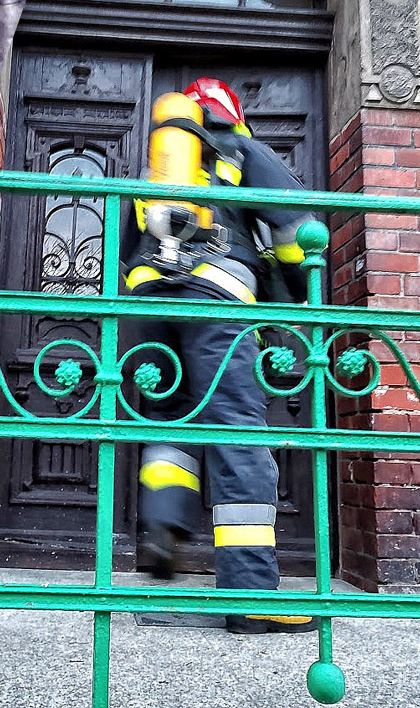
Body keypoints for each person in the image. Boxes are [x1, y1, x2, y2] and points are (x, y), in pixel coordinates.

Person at [121, 77, 319, 635]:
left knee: (171, 418)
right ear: (231, 116)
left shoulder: (158, 172)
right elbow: (298, 226)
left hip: (150, 308)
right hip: (217, 302)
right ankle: (251, 592)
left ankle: (162, 528)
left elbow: (127, 239)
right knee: (237, 432)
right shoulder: (239, 149)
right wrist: (297, 285)